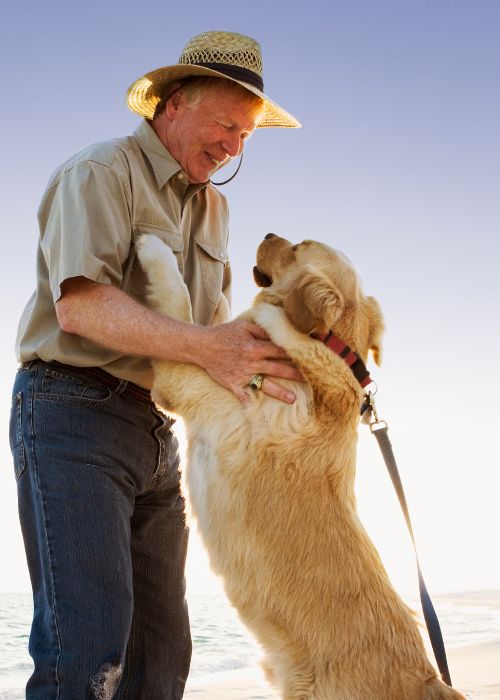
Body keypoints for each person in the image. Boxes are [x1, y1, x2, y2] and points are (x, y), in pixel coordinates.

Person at [10, 30, 301, 699]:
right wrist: (210, 348)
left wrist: (277, 361)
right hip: (71, 413)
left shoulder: (215, 208)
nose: (234, 145)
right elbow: (82, 308)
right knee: (85, 656)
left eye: (247, 135)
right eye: (226, 123)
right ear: (172, 104)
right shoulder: (100, 172)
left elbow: (205, 334)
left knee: (163, 660)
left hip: (158, 433)